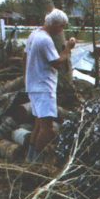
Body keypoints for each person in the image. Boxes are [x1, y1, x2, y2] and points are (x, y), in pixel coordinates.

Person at [25, 9, 76, 161]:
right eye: (61, 27)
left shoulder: (34, 34)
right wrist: (68, 49)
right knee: (48, 129)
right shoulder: (45, 40)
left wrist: (27, 77)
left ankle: (30, 158)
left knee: (39, 123)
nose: (61, 31)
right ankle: (37, 162)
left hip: (34, 84)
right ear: (54, 24)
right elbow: (56, 63)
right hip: (43, 87)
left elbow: (25, 56)